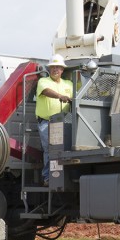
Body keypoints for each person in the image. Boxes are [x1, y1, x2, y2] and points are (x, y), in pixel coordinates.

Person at [35, 54, 73, 185]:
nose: (55, 69)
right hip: (47, 122)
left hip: (64, 122)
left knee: (63, 150)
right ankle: (48, 177)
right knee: (50, 149)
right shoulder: (43, 82)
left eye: (58, 67)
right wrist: (59, 96)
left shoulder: (69, 84)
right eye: (53, 67)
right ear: (49, 69)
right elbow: (45, 91)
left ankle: (60, 177)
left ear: (62, 70)